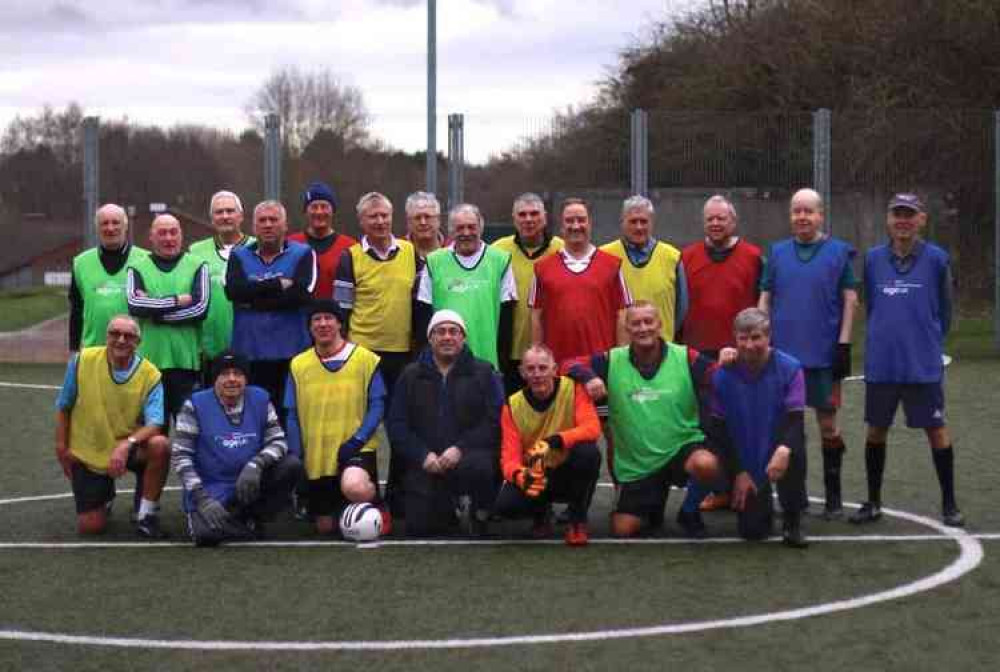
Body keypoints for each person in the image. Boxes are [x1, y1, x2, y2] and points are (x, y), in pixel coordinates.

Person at [851, 193, 963, 527]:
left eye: (909, 215)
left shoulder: (937, 259)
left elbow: (945, 312)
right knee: (876, 431)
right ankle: (873, 502)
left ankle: (949, 504)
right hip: (883, 365)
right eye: (897, 214)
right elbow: (872, 305)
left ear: (921, 220)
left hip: (922, 365)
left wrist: (925, 343)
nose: (903, 220)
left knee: (937, 430)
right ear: (888, 219)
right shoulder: (872, 259)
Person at [572, 301, 722, 538]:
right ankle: (652, 506)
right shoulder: (611, 360)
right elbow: (568, 364)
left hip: (681, 448)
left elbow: (717, 373)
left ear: (659, 325)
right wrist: (589, 377)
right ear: (627, 329)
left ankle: (689, 510)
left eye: (648, 322)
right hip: (638, 465)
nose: (643, 328)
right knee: (622, 529)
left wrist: (728, 357)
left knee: (706, 464)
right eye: (636, 323)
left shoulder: (684, 356)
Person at [758, 188, 858, 520]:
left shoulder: (839, 252)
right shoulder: (778, 252)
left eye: (808, 211)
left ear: (820, 215)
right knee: (785, 427)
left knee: (828, 426)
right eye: (796, 211)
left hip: (823, 356)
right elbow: (765, 298)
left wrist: (844, 343)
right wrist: (763, 340)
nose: (802, 217)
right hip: (784, 359)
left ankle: (833, 498)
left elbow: (850, 300)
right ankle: (792, 497)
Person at [335, 192, 421, 516]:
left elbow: (419, 302)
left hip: (401, 355)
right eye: (373, 217)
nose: (380, 221)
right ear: (362, 221)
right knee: (365, 428)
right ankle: (365, 493)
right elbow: (342, 310)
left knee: (400, 426)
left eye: (384, 215)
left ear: (392, 216)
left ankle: (400, 495)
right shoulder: (351, 257)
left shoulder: (411, 252)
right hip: (363, 356)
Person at [680, 194, 763, 513]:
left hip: (742, 355)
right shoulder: (686, 257)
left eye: (722, 218)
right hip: (700, 355)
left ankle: (748, 484)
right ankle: (718, 489)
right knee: (707, 425)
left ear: (734, 221)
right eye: (710, 218)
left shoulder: (754, 257)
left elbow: (763, 304)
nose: (715, 223)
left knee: (742, 423)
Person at [54, 315, 170, 538]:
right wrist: (61, 448)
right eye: (115, 334)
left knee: (160, 445)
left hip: (126, 448)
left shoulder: (150, 374)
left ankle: (146, 515)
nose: (121, 340)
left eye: (129, 336)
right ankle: (105, 494)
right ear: (106, 336)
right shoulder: (82, 361)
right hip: (90, 449)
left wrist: (127, 444)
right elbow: (63, 406)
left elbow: (155, 423)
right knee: (91, 527)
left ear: (138, 342)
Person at [387, 310, 502, 537]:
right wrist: (423, 455)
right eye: (440, 332)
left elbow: (494, 421)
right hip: (428, 462)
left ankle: (478, 511)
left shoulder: (483, 372)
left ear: (463, 337)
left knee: (481, 467)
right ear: (430, 338)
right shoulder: (410, 375)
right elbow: (396, 424)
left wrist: (460, 448)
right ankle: (450, 506)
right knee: (420, 527)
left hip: (467, 458)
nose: (447, 337)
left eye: (453, 331)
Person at [172, 350, 303, 546]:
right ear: (215, 378)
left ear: (246, 378)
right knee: (204, 535)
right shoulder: (194, 405)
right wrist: (202, 498)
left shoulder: (260, 398)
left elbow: (278, 441)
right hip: (212, 487)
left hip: (249, 481)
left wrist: (256, 465)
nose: (232, 379)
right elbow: (181, 456)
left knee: (291, 465)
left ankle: (254, 516)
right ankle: (244, 526)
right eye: (225, 374)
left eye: (238, 373)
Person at [285, 300, 387, 536]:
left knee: (354, 488)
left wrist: (358, 440)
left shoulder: (366, 359)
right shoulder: (298, 364)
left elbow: (378, 404)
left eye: (329, 318)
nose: (323, 324)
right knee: (325, 528)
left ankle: (378, 507)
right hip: (317, 457)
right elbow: (291, 414)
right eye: (316, 320)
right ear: (309, 327)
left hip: (354, 451)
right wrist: (297, 454)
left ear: (340, 323)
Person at [711, 308, 809, 548]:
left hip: (778, 445)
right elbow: (718, 428)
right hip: (745, 453)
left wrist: (784, 449)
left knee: (794, 451)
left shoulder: (791, 368)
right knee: (753, 532)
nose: (749, 345)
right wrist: (739, 472)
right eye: (743, 338)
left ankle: (792, 519)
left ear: (769, 336)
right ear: (735, 339)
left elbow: (796, 419)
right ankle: (758, 499)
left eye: (756, 337)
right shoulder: (723, 374)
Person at [495, 344, 601, 545]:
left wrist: (554, 441)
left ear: (554, 370)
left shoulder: (574, 388)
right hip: (537, 473)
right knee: (506, 506)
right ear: (522, 372)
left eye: (543, 368)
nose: (537, 374)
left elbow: (592, 428)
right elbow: (509, 458)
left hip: (568, 470)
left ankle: (577, 520)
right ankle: (540, 514)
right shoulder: (512, 405)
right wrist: (519, 476)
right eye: (531, 369)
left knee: (588, 453)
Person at [226, 200, 317, 422]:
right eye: (262, 221)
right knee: (254, 418)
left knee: (290, 417)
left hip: (292, 352)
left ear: (285, 225)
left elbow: (300, 296)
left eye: (273, 220)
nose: (268, 225)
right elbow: (235, 294)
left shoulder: (304, 253)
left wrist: (252, 297)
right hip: (250, 352)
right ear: (254, 227)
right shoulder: (238, 256)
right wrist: (277, 285)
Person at [126, 214, 209, 422]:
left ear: (181, 236)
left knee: (188, 433)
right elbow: (135, 305)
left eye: (173, 232)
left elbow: (200, 309)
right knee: (152, 436)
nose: (168, 238)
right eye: (162, 233)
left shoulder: (198, 265)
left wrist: (156, 312)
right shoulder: (137, 267)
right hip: (149, 365)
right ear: (151, 237)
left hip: (186, 365)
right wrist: (175, 301)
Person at [530, 197, 631, 368]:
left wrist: (621, 363)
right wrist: (539, 361)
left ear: (590, 223)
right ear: (561, 226)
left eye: (581, 220)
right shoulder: (542, 268)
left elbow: (623, 316)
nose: (576, 226)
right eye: (569, 221)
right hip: (557, 368)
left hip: (601, 368)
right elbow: (536, 318)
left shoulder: (612, 265)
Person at [416, 203, 517, 369]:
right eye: (460, 228)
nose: (466, 233)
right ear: (451, 231)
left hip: (487, 360)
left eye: (471, 227)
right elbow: (424, 315)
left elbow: (507, 317)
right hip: (443, 363)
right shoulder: (434, 262)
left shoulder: (500, 261)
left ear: (481, 227)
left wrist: (503, 361)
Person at [492, 193, 564, 395]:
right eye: (522, 214)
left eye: (534, 214)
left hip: (550, 355)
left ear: (545, 217)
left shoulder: (561, 249)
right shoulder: (498, 251)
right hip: (509, 354)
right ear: (514, 219)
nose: (529, 219)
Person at [601, 195, 687, 342]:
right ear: (622, 223)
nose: (639, 227)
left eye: (643, 221)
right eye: (633, 221)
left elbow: (681, 309)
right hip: (619, 352)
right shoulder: (604, 256)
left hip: (662, 351)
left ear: (652, 223)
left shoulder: (672, 257)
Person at [188, 190, 255, 376]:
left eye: (230, 211)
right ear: (211, 218)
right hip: (209, 348)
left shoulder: (256, 248)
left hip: (251, 345)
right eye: (219, 212)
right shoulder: (195, 252)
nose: (225, 216)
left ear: (241, 216)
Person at [69, 203, 148, 351]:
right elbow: (76, 310)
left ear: (125, 226)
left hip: (136, 354)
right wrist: (73, 350)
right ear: (97, 228)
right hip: (93, 352)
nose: (110, 228)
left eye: (115, 223)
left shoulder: (146, 260)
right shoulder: (81, 263)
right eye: (104, 223)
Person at [288, 181, 356, 299]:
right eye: (314, 207)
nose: (319, 212)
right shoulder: (291, 244)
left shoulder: (350, 247)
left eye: (324, 206)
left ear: (332, 210)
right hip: (300, 314)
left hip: (335, 315)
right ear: (306, 211)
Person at [403, 191, 447, 260]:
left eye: (427, 217)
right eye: (417, 218)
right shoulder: (398, 251)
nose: (423, 222)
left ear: (438, 219)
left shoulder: (453, 249)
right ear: (408, 222)